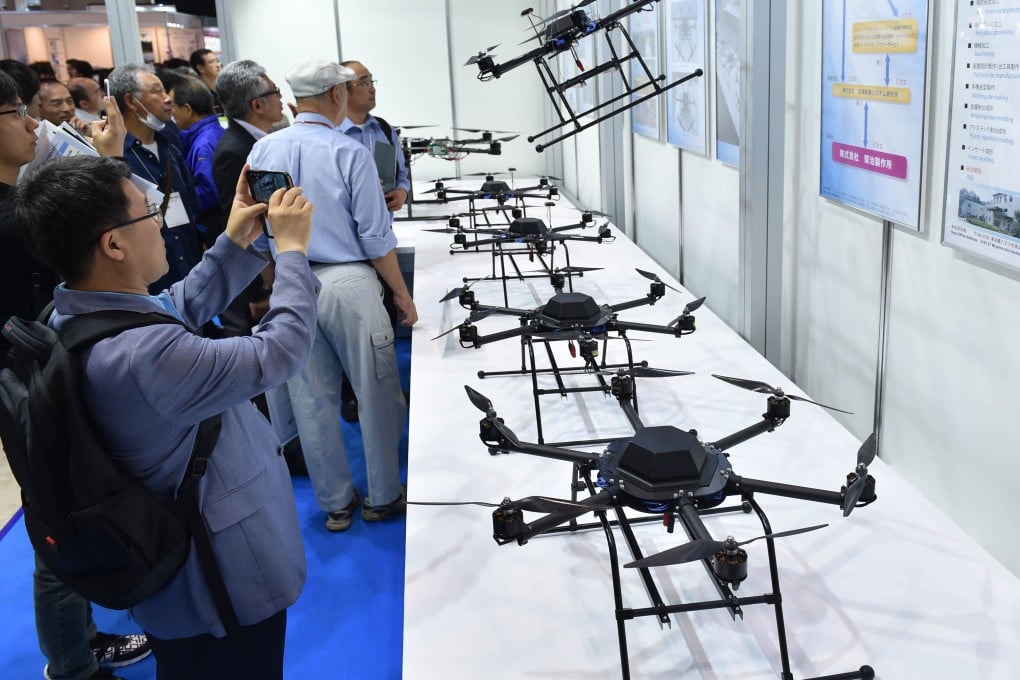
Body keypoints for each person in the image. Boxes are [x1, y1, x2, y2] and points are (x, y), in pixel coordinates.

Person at [12, 154, 317, 680]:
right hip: (221, 586)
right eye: (147, 213)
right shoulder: (143, 357)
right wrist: (291, 253)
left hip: (177, 579)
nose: (158, 222)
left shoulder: (74, 312)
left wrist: (235, 240)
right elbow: (278, 353)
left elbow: (177, 304)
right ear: (113, 244)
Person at [0, 70, 152, 680]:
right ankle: (71, 661)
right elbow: (83, 259)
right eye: (17, 113)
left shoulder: (17, 207)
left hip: (37, 378)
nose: (34, 123)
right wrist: (105, 173)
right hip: (37, 386)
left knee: (61, 514)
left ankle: (76, 645)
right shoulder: (14, 222)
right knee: (59, 521)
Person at [247, 58, 417, 531]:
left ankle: (336, 504)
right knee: (376, 390)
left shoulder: (263, 152)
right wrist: (401, 294)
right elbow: (376, 236)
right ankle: (383, 495)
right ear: (336, 96)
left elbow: (260, 231)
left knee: (309, 397)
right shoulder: (350, 151)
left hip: (292, 278)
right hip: (349, 280)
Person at [107, 63, 203, 292]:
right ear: (131, 102)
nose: (167, 98)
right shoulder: (116, 157)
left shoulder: (171, 149)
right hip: (148, 285)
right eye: (156, 91)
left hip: (189, 273)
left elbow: (191, 206)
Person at [213, 59, 285, 322]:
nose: (281, 98)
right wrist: (257, 290)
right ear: (257, 105)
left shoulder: (263, 142)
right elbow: (237, 223)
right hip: (263, 275)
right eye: (275, 92)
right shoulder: (235, 151)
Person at [338, 61, 409, 215]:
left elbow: (402, 172)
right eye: (364, 83)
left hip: (384, 229)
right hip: (345, 232)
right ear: (342, 90)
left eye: (371, 81)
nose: (372, 89)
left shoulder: (384, 129)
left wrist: (402, 191)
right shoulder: (331, 134)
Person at [170, 77, 226, 246]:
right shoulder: (216, 130)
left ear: (187, 109)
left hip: (214, 227)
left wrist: (177, 200)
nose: (170, 113)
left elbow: (209, 191)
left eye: (172, 106)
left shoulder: (203, 144)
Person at [189, 49, 223, 116]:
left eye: (217, 61)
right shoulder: (198, 94)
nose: (218, 65)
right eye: (211, 62)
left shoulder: (224, 89)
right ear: (200, 68)